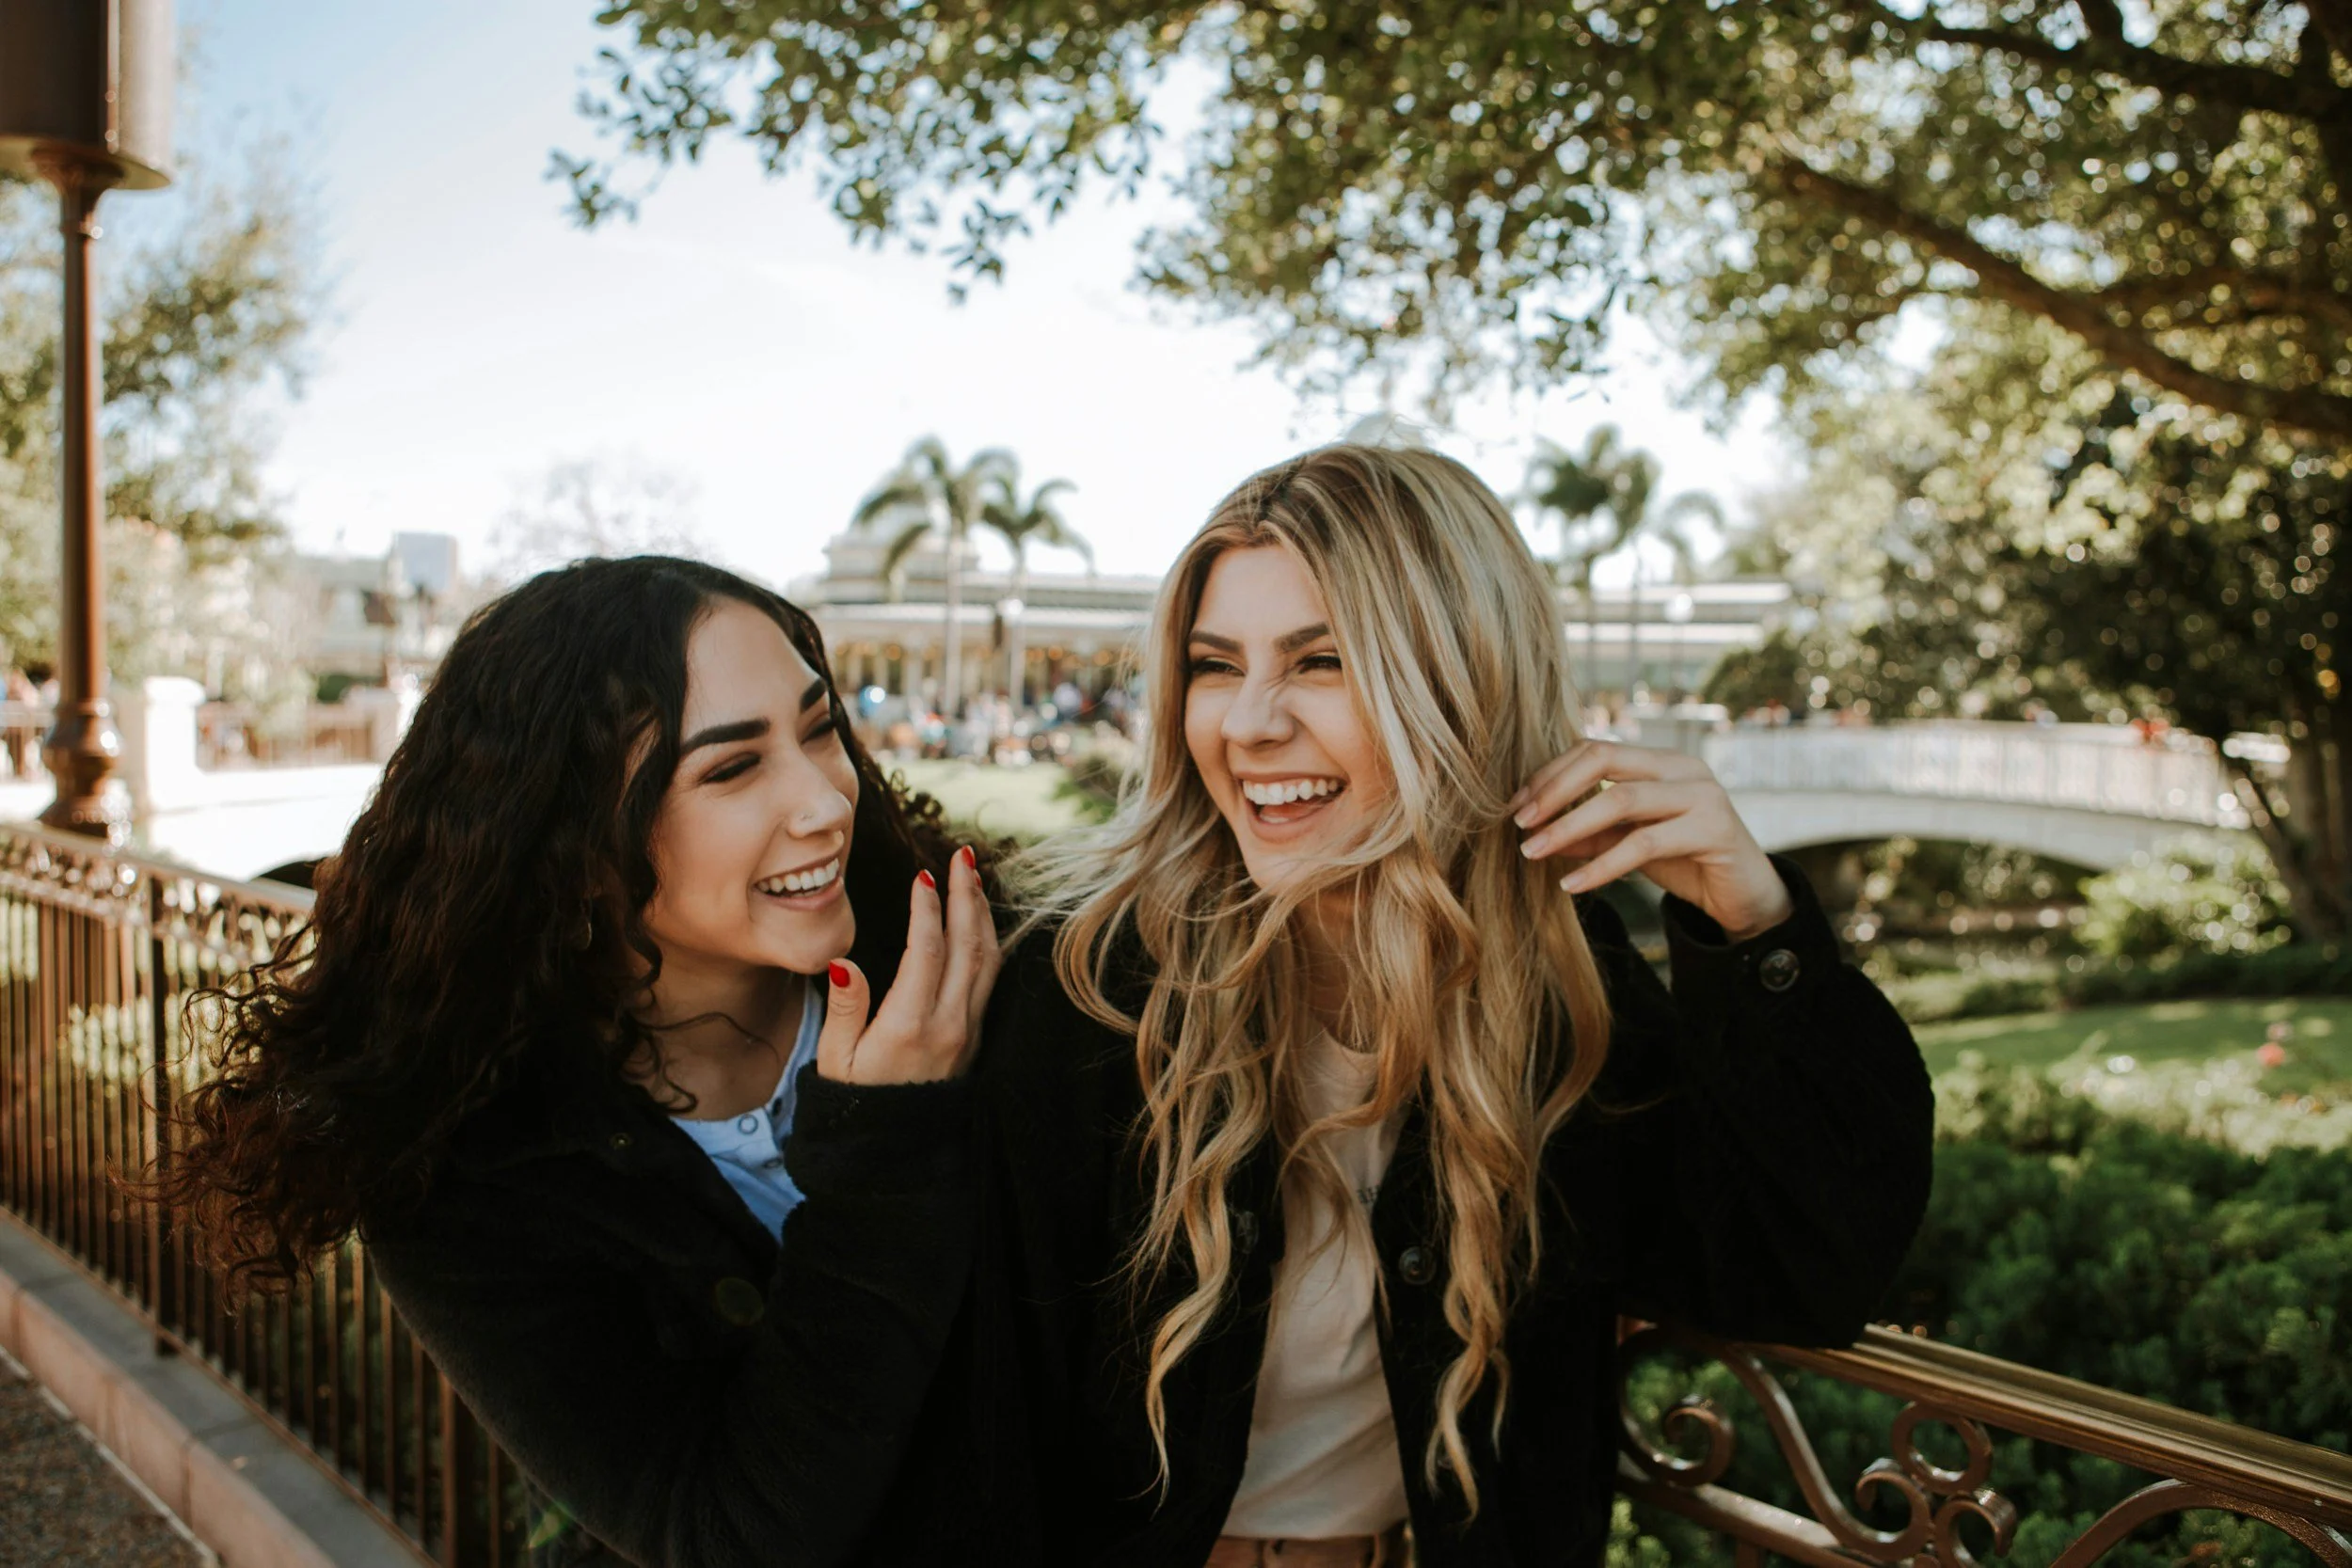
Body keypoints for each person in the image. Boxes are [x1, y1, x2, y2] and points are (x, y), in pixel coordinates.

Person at [979, 443, 1934, 1567]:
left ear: (1461, 679)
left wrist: (1757, 930)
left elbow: (1801, 1269)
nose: (1247, 723)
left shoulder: (1557, 993)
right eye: (1213, 663)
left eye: (1321, 660)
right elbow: (978, 1418)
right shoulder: (1087, 987)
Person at [158, 557, 1003, 1568]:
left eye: (818, 728)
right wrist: (888, 1144)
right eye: (731, 768)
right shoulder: (468, 1174)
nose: (826, 798)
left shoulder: (966, 972)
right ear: (570, 832)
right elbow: (726, 1531)